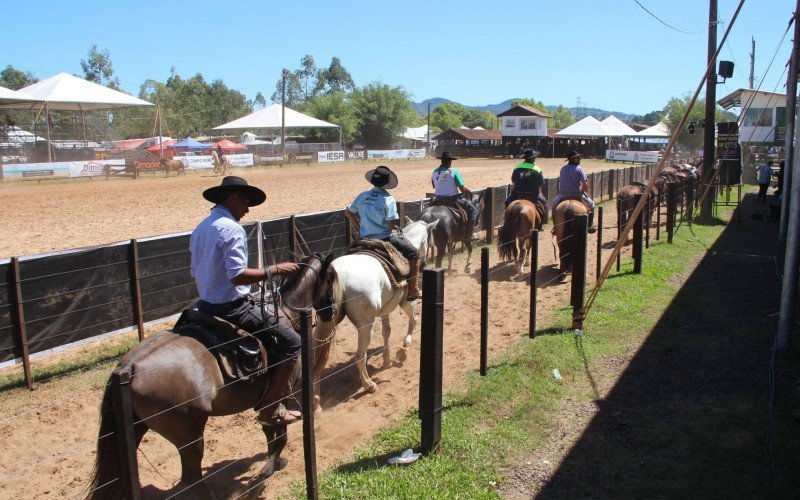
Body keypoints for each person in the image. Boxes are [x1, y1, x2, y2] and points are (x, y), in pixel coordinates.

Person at [190, 176, 303, 426]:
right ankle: (271, 408)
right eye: (245, 201)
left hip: (204, 307)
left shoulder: (201, 227)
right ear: (232, 197)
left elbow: (194, 271)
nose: (247, 209)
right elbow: (238, 277)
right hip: (232, 308)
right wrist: (276, 269)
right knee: (293, 342)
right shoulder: (231, 228)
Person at [345, 166, 422, 301]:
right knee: (414, 253)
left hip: (363, 238)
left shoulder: (363, 195)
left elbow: (348, 213)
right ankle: (412, 289)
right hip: (384, 238)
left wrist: (359, 227)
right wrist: (392, 227)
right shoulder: (388, 199)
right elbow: (391, 224)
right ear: (386, 183)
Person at [430, 151, 479, 227]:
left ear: (441, 160)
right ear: (449, 161)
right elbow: (462, 189)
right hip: (453, 199)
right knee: (474, 211)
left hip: (438, 199)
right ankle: (469, 235)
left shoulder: (435, 172)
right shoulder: (454, 171)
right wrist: (467, 190)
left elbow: (434, 185)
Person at [552, 151, 597, 233]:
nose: (580, 159)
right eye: (578, 158)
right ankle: (590, 224)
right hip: (577, 194)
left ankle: (555, 226)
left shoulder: (563, 168)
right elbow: (585, 184)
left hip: (562, 195)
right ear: (573, 159)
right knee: (592, 205)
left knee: (554, 207)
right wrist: (583, 191)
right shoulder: (579, 169)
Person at [505, 149, 548, 225]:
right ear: (531, 158)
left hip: (517, 194)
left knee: (507, 203)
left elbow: (513, 180)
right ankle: (542, 224)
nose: (535, 158)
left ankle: (506, 221)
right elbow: (540, 184)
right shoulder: (537, 169)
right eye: (534, 157)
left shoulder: (517, 167)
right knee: (544, 203)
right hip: (532, 195)